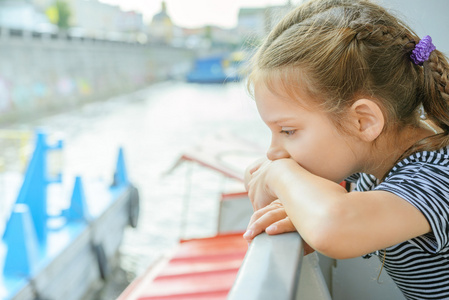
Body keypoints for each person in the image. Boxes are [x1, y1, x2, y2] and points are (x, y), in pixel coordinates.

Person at [242, 0, 449, 299]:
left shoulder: (437, 176)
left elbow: (334, 225)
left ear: (363, 121)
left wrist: (279, 173)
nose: (273, 152)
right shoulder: (371, 172)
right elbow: (253, 176)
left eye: (288, 131)